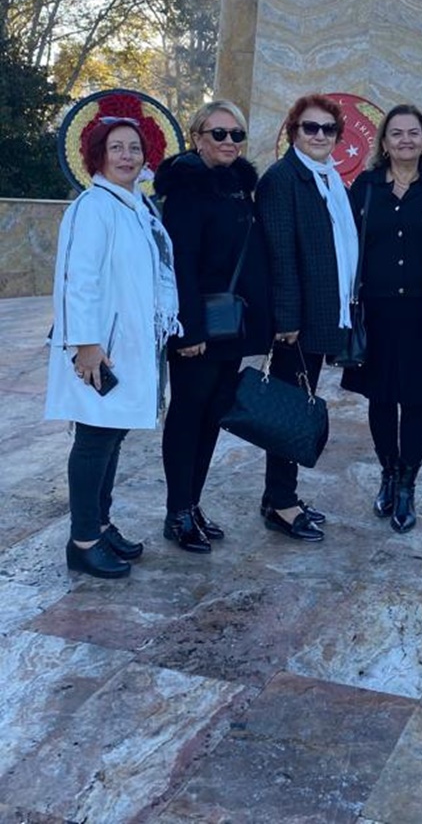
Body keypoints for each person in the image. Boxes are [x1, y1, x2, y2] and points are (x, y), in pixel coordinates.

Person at [46, 117, 181, 578]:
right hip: (99, 348)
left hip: (130, 344)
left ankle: (100, 525)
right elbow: (76, 279)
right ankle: (83, 542)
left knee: (113, 434)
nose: (127, 156)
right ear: (98, 156)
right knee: (94, 439)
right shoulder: (93, 207)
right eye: (116, 147)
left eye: (134, 148)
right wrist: (85, 344)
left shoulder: (137, 206)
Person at [155, 100, 272, 552]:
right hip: (198, 327)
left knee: (211, 416)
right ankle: (177, 511)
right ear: (197, 137)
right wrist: (189, 330)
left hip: (229, 325)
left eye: (236, 134)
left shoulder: (237, 185)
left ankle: (192, 503)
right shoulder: (188, 186)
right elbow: (179, 264)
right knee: (188, 415)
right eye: (218, 133)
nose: (228, 141)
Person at [256, 94, 359, 541]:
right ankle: (281, 503)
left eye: (328, 129)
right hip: (295, 322)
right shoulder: (282, 179)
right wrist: (287, 319)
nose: (319, 135)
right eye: (310, 127)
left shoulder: (329, 179)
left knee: (297, 404)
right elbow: (279, 254)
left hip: (321, 313)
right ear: (293, 131)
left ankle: (279, 494)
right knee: (290, 411)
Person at [345, 105, 422, 531]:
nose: (405, 140)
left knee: (418, 399)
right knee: (382, 397)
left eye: (413, 132)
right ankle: (388, 473)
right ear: (384, 143)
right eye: (396, 133)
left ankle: (408, 484)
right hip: (378, 310)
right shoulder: (366, 187)